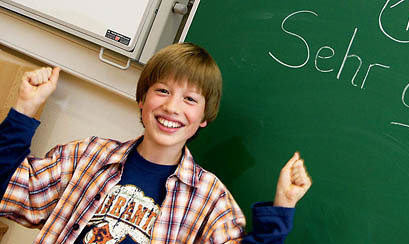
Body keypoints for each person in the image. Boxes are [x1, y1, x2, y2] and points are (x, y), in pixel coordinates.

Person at [0, 43, 312, 244]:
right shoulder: (87, 155)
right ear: (142, 98)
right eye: (162, 91)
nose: (173, 108)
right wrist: (25, 109)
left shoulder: (210, 200)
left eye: (190, 99)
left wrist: (282, 207)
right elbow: (8, 189)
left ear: (205, 117)